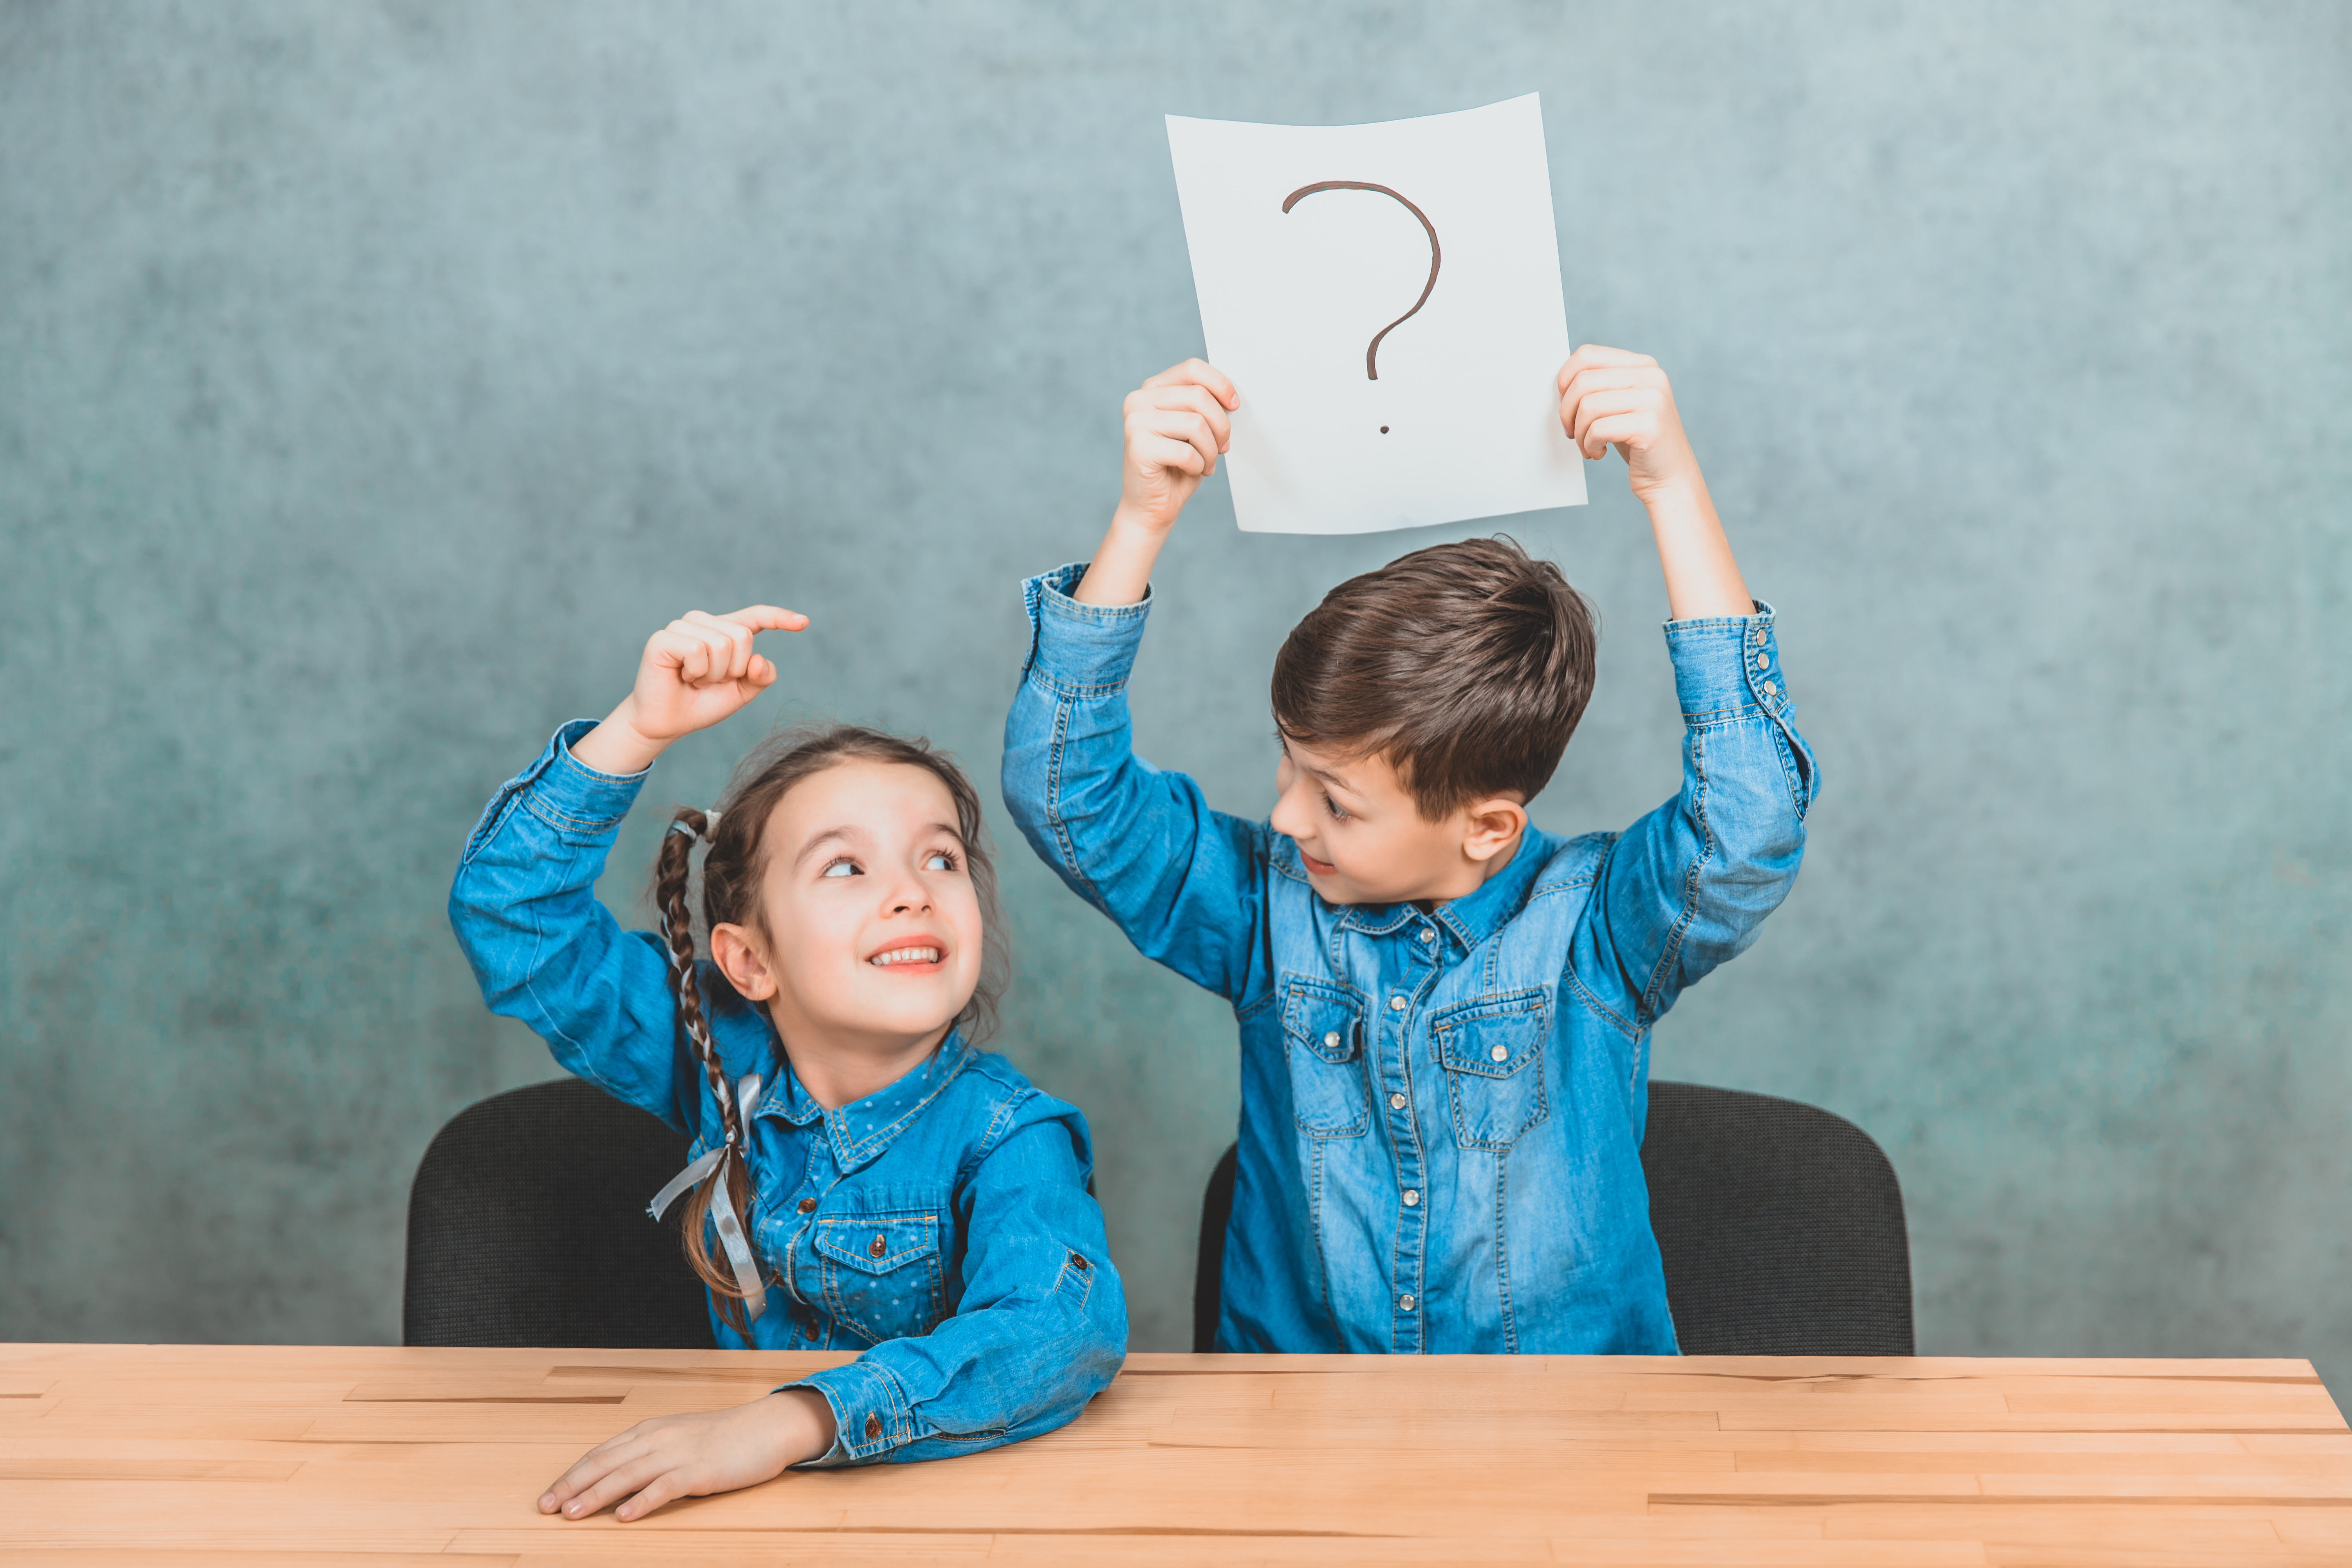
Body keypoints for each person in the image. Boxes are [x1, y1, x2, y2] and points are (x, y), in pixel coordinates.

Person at [1002, 346, 1816, 1354]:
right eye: (1288, 769)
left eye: (1335, 801)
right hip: (1302, 1438)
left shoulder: (1594, 935)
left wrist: (1669, 482)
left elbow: (1747, 826)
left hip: (1565, 1446)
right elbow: (1064, 794)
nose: (1291, 819)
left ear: (1487, 828)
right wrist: (1141, 521)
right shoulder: (1264, 909)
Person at [449, 604, 1125, 1521]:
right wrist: (637, 729)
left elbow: (1056, 1331)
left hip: (958, 1513)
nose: (908, 892)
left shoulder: (1009, 1137)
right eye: (846, 868)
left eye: (940, 857)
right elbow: (510, 914)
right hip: (745, 1518)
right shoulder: (711, 1053)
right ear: (748, 962)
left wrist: (785, 1425)